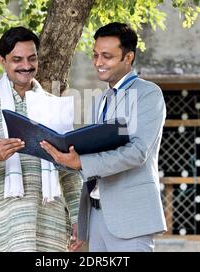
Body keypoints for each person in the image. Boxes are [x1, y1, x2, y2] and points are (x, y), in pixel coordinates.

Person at [40, 22, 167, 252]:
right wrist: (61, 156)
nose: (98, 63)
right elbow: (92, 157)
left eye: (107, 56)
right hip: (96, 217)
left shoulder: (148, 94)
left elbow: (137, 152)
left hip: (131, 219)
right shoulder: (99, 101)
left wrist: (81, 162)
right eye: (96, 55)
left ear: (128, 58)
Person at [0, 26, 82, 252]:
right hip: (0, 224)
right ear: (2, 60)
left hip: (48, 223)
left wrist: (77, 217)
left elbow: (70, 172)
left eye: (31, 58)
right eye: (17, 59)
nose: (26, 66)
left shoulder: (54, 106)